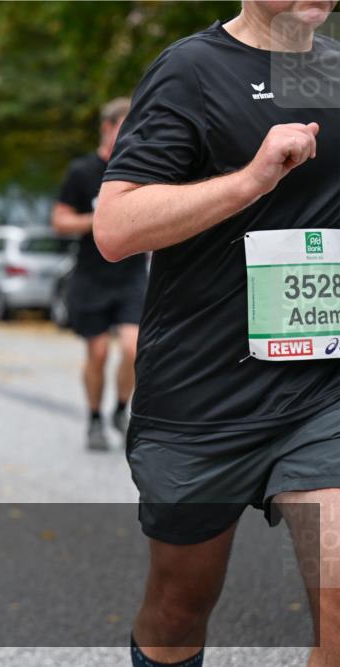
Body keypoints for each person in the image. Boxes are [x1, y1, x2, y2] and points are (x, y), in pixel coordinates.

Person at [93, 2, 339, 666]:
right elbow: (115, 228)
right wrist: (252, 180)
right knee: (179, 609)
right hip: (204, 392)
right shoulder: (192, 71)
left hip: (320, 390)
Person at [52, 98, 146, 451]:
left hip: (132, 274)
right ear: (107, 128)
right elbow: (59, 220)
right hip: (91, 276)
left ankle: (121, 409)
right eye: (125, 126)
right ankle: (94, 418)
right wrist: (100, 221)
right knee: (98, 353)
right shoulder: (82, 172)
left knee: (134, 349)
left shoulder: (142, 171)